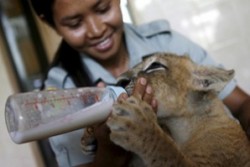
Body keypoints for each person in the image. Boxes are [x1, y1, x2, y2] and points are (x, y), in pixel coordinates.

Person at [29, 0, 250, 166]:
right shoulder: (59, 93)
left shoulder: (165, 42)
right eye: (75, 23)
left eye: (103, 8)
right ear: (49, 21)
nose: (97, 30)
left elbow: (242, 104)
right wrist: (109, 151)